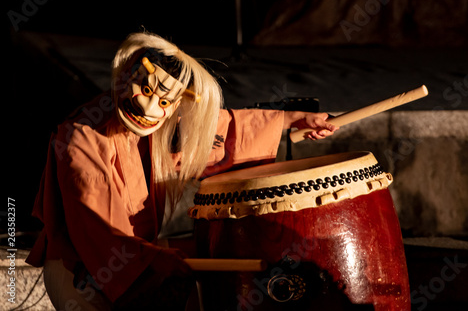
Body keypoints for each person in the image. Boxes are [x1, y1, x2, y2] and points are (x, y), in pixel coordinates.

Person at [26, 32, 338, 310]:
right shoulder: (80, 139)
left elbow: (218, 130)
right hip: (84, 270)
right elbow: (99, 230)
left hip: (137, 258)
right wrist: (159, 260)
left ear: (176, 106)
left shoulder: (162, 127)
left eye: (163, 101)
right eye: (144, 90)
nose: (150, 109)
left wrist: (291, 120)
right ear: (124, 76)